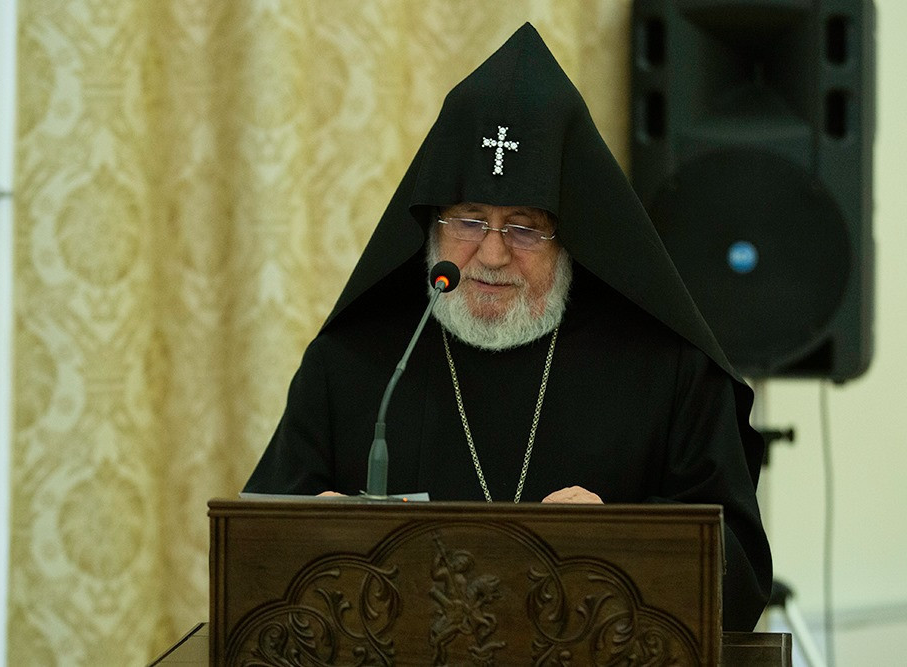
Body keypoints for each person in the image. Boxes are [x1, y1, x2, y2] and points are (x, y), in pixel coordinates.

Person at [243, 23, 772, 631]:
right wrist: (308, 533)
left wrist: (621, 540)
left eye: (525, 228)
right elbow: (256, 558)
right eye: (469, 220)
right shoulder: (356, 362)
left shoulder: (668, 368)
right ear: (433, 223)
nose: (491, 256)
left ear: (573, 236)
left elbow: (739, 581)